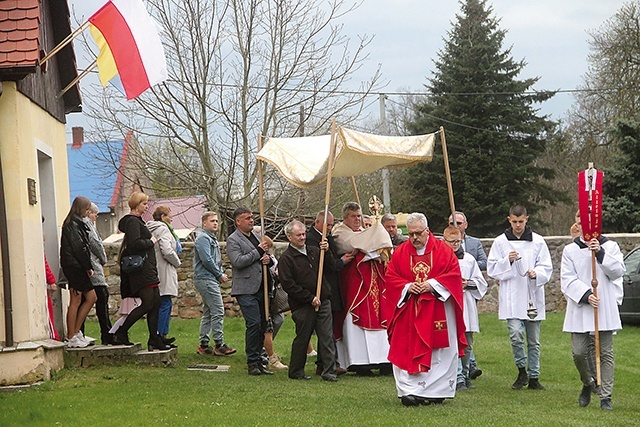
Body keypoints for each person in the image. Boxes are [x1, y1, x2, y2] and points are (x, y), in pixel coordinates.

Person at [385, 213, 467, 406]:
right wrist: (407, 286)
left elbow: (454, 275)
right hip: (409, 311)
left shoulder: (443, 251)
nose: (414, 238)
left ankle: (435, 392)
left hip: (437, 308)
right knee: (406, 346)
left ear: (427, 231)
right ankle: (409, 391)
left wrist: (432, 285)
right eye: (411, 233)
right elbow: (391, 277)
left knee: (439, 350)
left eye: (418, 233)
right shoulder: (401, 252)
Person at [561, 212, 625, 411]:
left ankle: (606, 396)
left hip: (603, 305)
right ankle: (588, 381)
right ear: (577, 223)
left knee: (605, 352)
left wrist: (601, 254)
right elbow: (567, 279)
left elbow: (618, 271)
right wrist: (586, 294)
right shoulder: (570, 250)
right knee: (579, 352)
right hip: (581, 307)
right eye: (581, 222)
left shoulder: (610, 246)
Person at [487, 205, 552, 390]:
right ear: (509, 220)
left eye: (521, 221)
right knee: (516, 334)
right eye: (514, 222)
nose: (517, 225)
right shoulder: (500, 242)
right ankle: (521, 369)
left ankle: (534, 376)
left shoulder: (538, 241)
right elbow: (492, 268)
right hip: (512, 295)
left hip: (532, 293)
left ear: (527, 219)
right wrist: (507, 260)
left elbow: (546, 266)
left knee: (534, 340)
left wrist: (536, 273)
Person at [332, 202, 392, 375]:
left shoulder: (363, 232)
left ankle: (383, 360)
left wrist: (376, 240)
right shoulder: (340, 232)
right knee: (354, 322)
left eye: (359, 216)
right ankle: (359, 362)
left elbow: (378, 250)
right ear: (345, 218)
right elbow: (354, 246)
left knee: (381, 318)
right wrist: (375, 238)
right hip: (355, 285)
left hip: (375, 284)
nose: (357, 219)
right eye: (353, 216)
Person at [278, 220, 338, 381]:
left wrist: (327, 251)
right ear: (289, 236)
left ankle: (329, 371)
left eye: (304, 234)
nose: (303, 237)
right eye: (299, 235)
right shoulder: (286, 258)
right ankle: (296, 371)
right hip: (302, 304)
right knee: (303, 337)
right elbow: (288, 285)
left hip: (323, 299)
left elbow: (332, 267)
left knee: (326, 336)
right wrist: (310, 298)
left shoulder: (315, 251)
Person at [115, 192, 170, 351]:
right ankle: (121, 332)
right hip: (142, 270)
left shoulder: (137, 221)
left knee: (155, 303)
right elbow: (134, 244)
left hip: (148, 268)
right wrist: (150, 241)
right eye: (144, 204)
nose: (147, 207)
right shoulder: (133, 221)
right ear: (136, 204)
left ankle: (154, 338)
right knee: (147, 304)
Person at [306, 210, 354, 375]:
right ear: (318, 222)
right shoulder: (312, 238)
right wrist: (341, 261)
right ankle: (327, 363)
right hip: (322, 287)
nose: (330, 228)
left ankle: (326, 361)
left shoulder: (328, 238)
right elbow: (327, 265)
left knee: (329, 327)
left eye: (332, 225)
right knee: (324, 329)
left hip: (331, 286)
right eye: (328, 225)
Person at [227, 207, 273, 376]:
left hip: (262, 287)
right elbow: (238, 261)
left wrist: (266, 259)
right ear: (238, 221)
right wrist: (258, 252)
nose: (251, 221)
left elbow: (261, 257)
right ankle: (252, 361)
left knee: (263, 324)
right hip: (246, 289)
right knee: (253, 323)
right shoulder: (233, 240)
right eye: (247, 218)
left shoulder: (255, 237)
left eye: (252, 217)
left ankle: (260, 360)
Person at [442, 226, 488, 391]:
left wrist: (467, 283)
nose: (455, 245)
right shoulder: (441, 258)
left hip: (466, 304)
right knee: (453, 341)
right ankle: (457, 376)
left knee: (467, 342)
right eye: (451, 242)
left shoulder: (468, 259)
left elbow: (481, 282)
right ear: (444, 241)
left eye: (458, 242)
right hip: (449, 304)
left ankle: (466, 372)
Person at [192, 211, 235, 356]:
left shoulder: (211, 238)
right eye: (212, 221)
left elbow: (215, 259)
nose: (215, 223)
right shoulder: (203, 238)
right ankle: (219, 344)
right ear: (204, 223)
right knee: (218, 310)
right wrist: (219, 274)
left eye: (216, 221)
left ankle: (204, 344)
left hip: (209, 278)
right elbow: (207, 260)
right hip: (206, 278)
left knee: (209, 312)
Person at [60, 196, 97, 348]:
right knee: (77, 299)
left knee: (89, 298)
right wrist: (88, 266)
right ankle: (71, 335)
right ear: (80, 208)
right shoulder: (73, 225)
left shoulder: (77, 223)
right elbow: (79, 248)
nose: (88, 212)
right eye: (86, 208)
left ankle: (75, 332)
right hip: (74, 267)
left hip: (76, 266)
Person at [147, 205, 182, 348]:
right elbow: (167, 250)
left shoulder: (152, 228)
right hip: (165, 269)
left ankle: (162, 336)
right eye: (169, 215)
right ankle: (160, 336)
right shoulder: (163, 229)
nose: (171, 218)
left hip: (157, 268)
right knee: (165, 303)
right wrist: (177, 262)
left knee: (163, 303)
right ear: (162, 217)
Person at [84, 202, 113, 345]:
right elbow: (96, 244)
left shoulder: (84, 225)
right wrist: (103, 258)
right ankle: (107, 334)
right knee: (102, 301)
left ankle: (83, 333)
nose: (96, 217)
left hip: (92, 268)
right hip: (94, 269)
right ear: (89, 212)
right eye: (95, 214)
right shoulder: (88, 225)